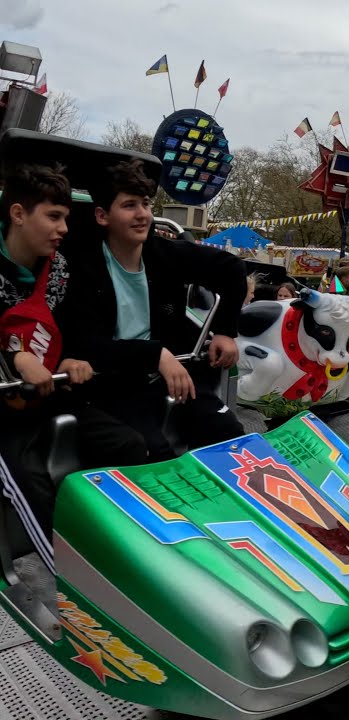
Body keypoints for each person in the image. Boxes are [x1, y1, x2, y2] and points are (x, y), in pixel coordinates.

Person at [0, 163, 146, 562]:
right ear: (17, 214)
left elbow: (70, 329)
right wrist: (16, 357)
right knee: (27, 479)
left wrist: (72, 357)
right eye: (53, 217)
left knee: (129, 444)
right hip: (5, 408)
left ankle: (126, 553)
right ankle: (63, 577)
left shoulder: (59, 268)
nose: (64, 228)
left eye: (65, 217)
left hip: (50, 394)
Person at [56, 158, 247, 460]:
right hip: (115, 382)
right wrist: (156, 354)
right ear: (102, 216)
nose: (142, 214)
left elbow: (233, 270)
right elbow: (87, 344)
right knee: (154, 454)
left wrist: (225, 331)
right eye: (129, 205)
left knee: (228, 434)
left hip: (169, 374)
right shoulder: (81, 267)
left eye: (145, 204)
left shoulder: (164, 254)